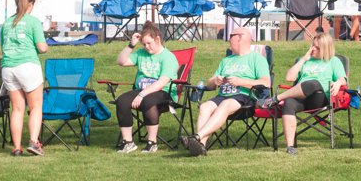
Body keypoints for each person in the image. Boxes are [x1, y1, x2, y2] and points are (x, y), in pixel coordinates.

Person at [183, 26, 270, 156]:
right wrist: (215, 81)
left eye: (231, 36)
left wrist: (240, 82)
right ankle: (200, 146)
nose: (228, 40)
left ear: (240, 37)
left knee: (226, 104)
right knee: (205, 107)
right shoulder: (226, 60)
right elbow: (210, 85)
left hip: (244, 97)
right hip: (222, 95)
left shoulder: (257, 59)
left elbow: (266, 83)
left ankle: (197, 137)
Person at [260, 32, 347, 155]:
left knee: (313, 83)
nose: (313, 49)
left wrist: (338, 83)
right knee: (289, 103)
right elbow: (289, 78)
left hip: (319, 98)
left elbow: (343, 79)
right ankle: (290, 146)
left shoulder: (333, 61)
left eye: (317, 47)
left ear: (325, 48)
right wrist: (304, 59)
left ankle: (275, 99)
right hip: (301, 97)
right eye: (312, 46)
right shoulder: (306, 60)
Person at [114, 20, 178, 154]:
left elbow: (162, 82)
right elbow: (121, 61)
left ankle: (152, 142)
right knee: (121, 101)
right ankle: (128, 142)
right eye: (144, 44)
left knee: (148, 101)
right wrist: (131, 45)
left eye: (149, 43)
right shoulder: (141, 54)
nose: (147, 47)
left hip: (163, 92)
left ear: (158, 39)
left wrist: (142, 95)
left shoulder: (168, 57)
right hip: (141, 90)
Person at [1, 0, 48, 157]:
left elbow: (2, 47)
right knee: (35, 107)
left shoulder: (7, 23)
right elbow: (42, 48)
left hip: (8, 68)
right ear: (31, 4)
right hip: (27, 66)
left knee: (17, 109)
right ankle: (34, 142)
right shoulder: (33, 22)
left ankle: (16, 147)